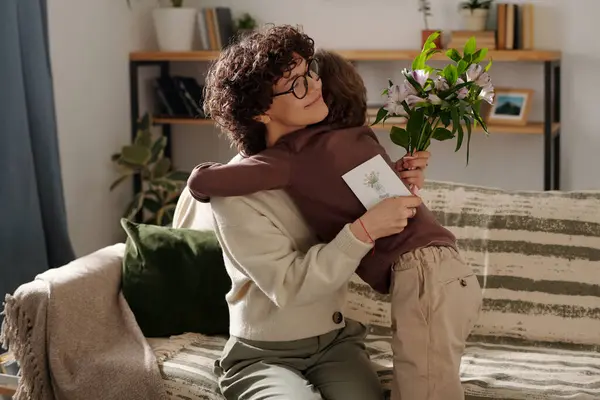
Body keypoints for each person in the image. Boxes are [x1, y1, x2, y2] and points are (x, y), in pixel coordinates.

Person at [187, 39, 483, 400]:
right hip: (264, 356)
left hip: (336, 345)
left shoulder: (330, 150)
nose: (314, 84)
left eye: (309, 72)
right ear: (260, 111)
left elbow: (379, 213)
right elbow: (291, 287)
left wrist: (394, 181)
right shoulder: (237, 191)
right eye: (295, 84)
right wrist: (365, 229)